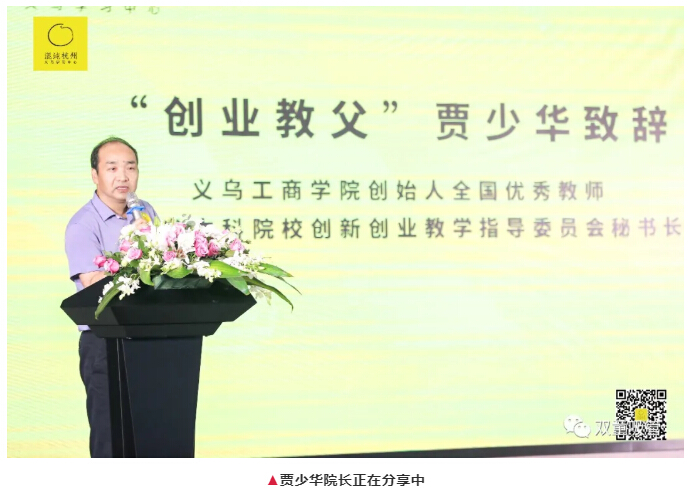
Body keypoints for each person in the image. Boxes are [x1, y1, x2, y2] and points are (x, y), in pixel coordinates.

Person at [64, 137, 158, 457]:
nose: (123, 176)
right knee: (111, 435)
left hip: (149, 339)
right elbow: (94, 284)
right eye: (112, 168)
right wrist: (136, 259)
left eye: (130, 167)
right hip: (105, 342)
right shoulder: (83, 224)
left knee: (152, 432)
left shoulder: (145, 212)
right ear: (95, 175)